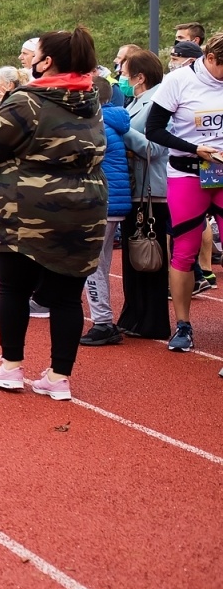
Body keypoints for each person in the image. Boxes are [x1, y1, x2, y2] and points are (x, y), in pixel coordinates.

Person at [0, 27, 107, 401]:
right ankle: (59, 376)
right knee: (66, 297)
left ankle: (11, 367)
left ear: (47, 62)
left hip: (27, 209)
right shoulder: (90, 97)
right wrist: (0, 111)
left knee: (14, 288)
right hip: (83, 208)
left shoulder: (28, 100)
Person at [144, 32, 223, 357]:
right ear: (213, 59)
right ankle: (184, 325)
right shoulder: (179, 81)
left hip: (222, 171)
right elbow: (154, 130)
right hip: (187, 172)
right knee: (185, 249)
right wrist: (195, 148)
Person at [111, 49, 172, 341]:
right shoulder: (136, 101)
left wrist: (122, 132)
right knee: (134, 259)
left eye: (124, 74)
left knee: (149, 256)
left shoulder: (157, 104)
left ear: (140, 77)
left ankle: (152, 320)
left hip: (151, 191)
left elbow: (156, 149)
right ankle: (135, 315)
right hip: (134, 188)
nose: (121, 79)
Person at [79, 78, 131, 345]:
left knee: (94, 266)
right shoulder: (114, 121)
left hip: (101, 203)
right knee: (100, 264)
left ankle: (103, 322)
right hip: (113, 202)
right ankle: (103, 319)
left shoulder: (96, 124)